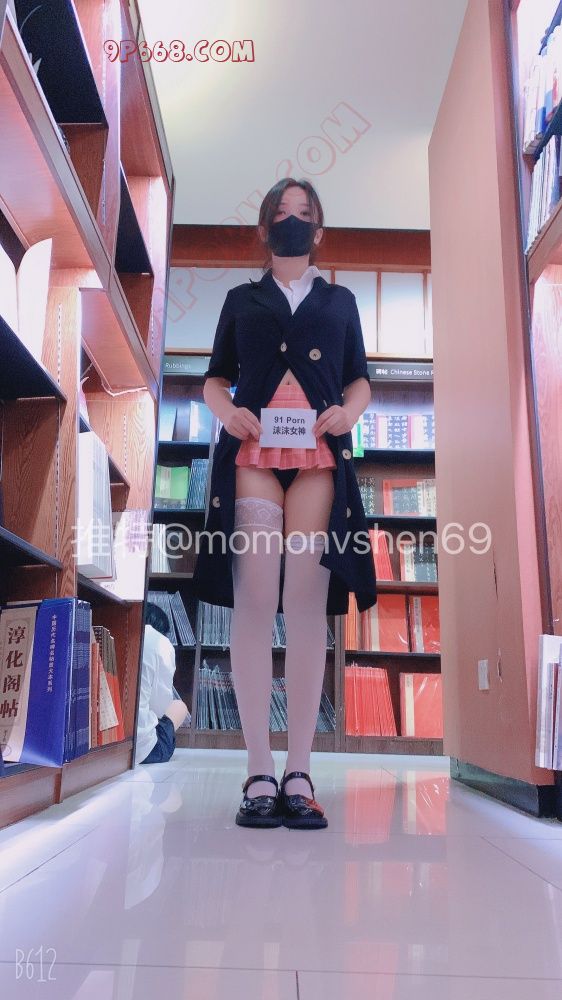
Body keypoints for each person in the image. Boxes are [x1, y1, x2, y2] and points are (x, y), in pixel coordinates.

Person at [194, 178, 377, 829]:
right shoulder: (241, 299)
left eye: (303, 213)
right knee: (252, 602)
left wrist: (347, 414)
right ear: (264, 228)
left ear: (318, 230)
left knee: (303, 607)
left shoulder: (340, 300)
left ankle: (298, 770)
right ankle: (258, 769)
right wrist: (228, 413)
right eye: (281, 212)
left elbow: (359, 379)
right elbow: (214, 379)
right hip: (253, 458)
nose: (292, 220)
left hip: (319, 460)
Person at [135, 602, 189, 766]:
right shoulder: (161, 642)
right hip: (144, 750)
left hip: (109, 748)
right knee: (179, 706)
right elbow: (161, 708)